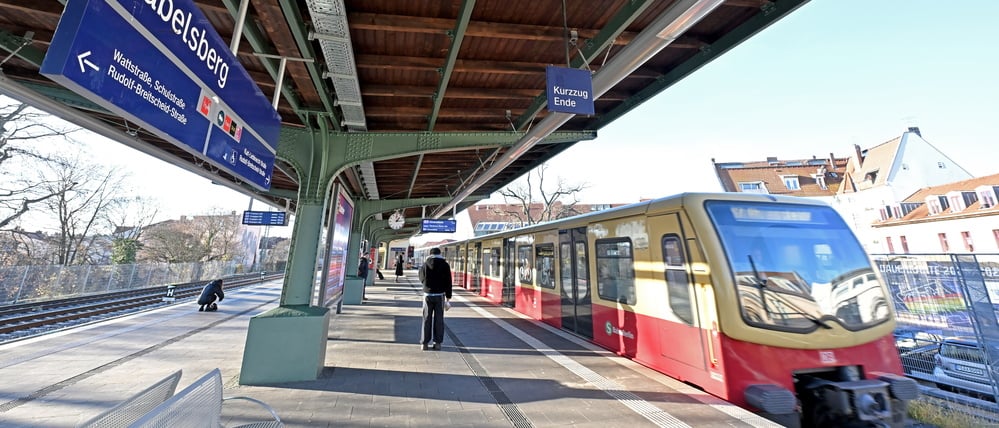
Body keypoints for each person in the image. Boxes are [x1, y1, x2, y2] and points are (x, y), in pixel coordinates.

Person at [418, 247, 452, 351]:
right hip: (440, 295)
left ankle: (424, 343)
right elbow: (448, 282)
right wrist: (448, 297)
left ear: (430, 254)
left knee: (426, 318)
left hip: (427, 295)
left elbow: (421, 277)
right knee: (439, 319)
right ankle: (437, 343)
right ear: (439, 254)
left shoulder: (425, 264)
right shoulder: (445, 265)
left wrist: (426, 285)